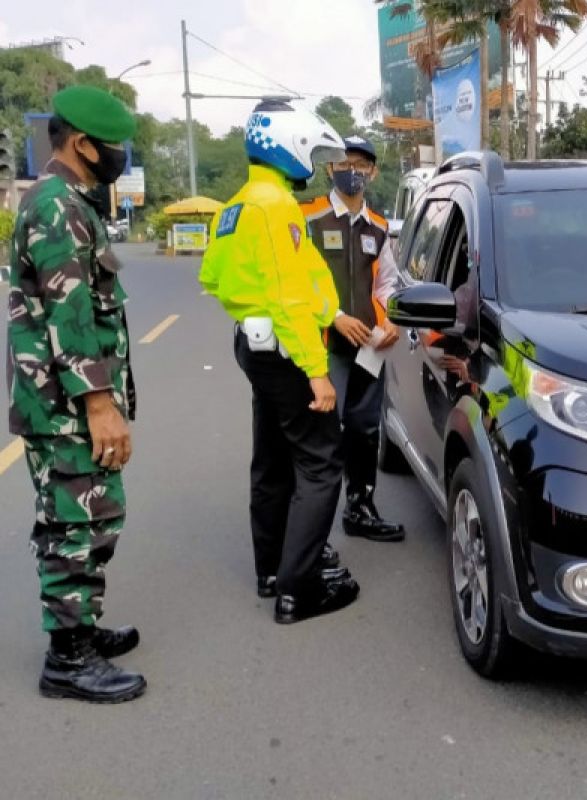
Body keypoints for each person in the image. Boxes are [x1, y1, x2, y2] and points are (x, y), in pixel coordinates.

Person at [6, 85, 145, 702]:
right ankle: (68, 658)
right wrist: (99, 404)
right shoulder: (57, 205)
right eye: (110, 146)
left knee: (85, 516)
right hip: (65, 407)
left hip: (61, 401)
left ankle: (80, 629)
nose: (117, 156)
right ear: (80, 143)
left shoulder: (68, 201)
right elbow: (70, 313)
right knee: (77, 522)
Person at [199, 100, 359, 624]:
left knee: (270, 460)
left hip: (255, 345)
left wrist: (317, 311)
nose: (312, 159)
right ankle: (299, 589)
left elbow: (214, 279)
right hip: (288, 350)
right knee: (320, 463)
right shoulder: (277, 208)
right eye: (310, 148)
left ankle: (272, 570)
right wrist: (316, 370)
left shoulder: (236, 205)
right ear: (287, 146)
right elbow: (290, 295)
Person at [300, 135, 405, 542]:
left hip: (369, 350)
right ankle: (313, 535)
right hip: (322, 347)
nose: (353, 171)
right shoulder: (307, 219)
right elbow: (295, 284)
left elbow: (387, 285)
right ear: (330, 169)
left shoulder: (378, 228)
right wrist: (337, 317)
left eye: (362, 165)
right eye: (345, 163)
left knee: (364, 431)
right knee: (322, 436)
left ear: (373, 172)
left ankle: (360, 509)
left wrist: (392, 318)